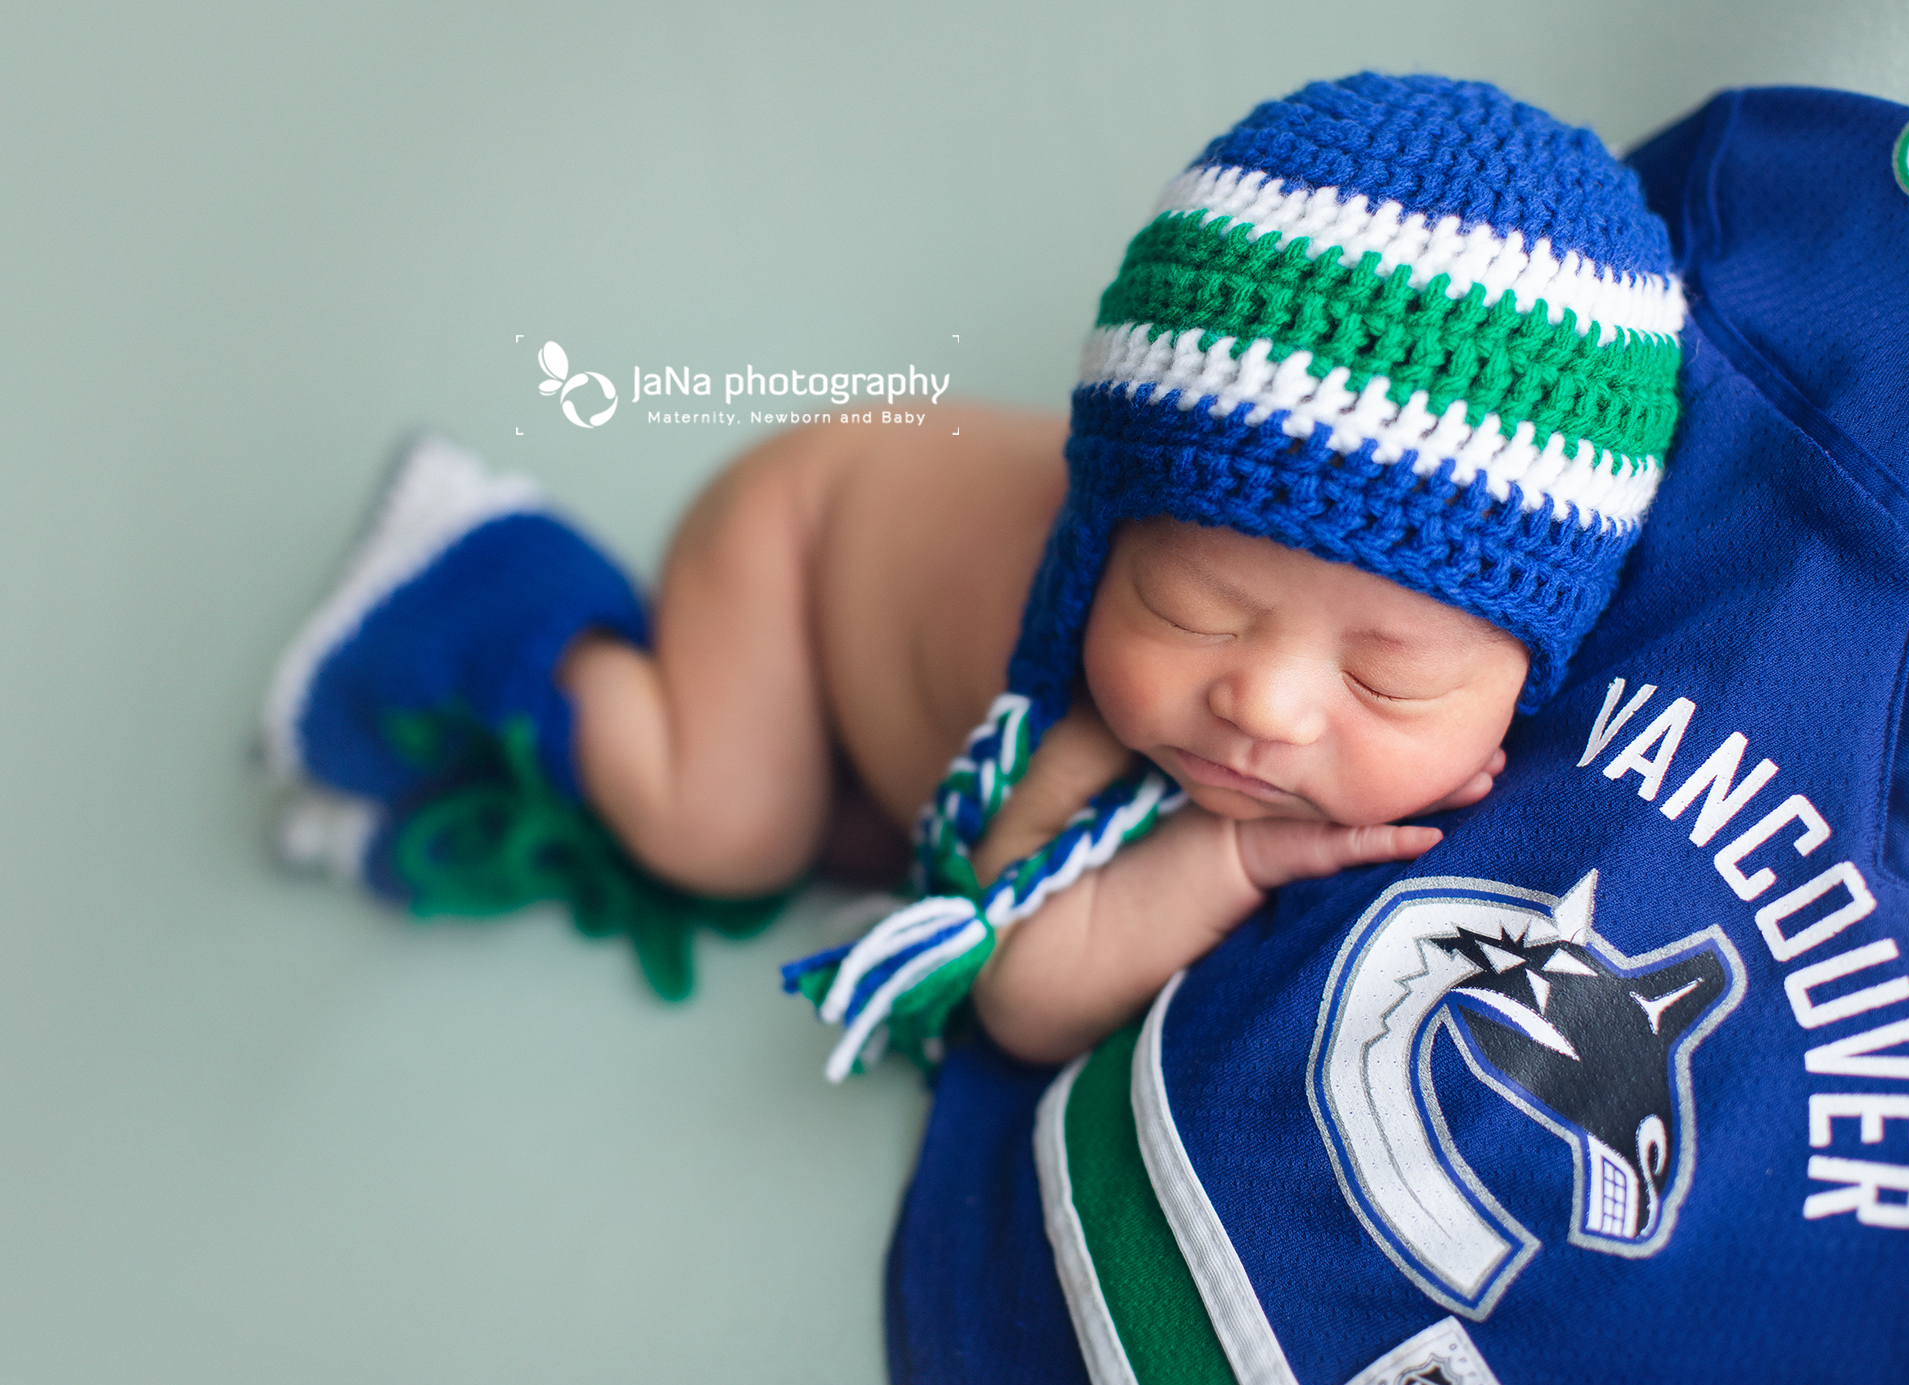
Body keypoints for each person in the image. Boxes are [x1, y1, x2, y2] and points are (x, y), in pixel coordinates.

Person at [262, 73, 1684, 1078]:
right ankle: (495, 599)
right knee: (727, 829)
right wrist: (1229, 851)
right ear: (1101, 540)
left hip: (892, 533)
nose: (1259, 698)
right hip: (801, 543)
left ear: (1532, 665)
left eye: (1388, 672)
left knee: (848, 833)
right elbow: (1021, 990)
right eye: (1189, 606)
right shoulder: (1073, 706)